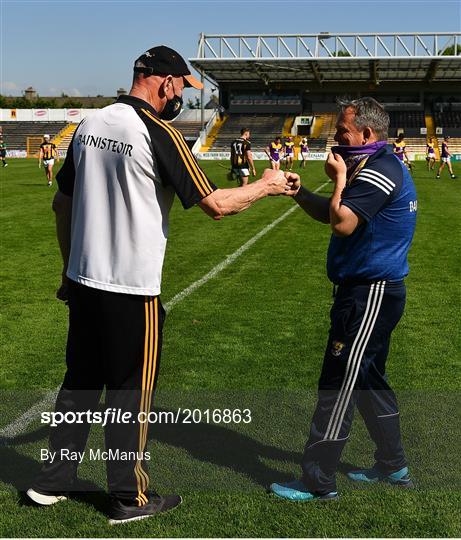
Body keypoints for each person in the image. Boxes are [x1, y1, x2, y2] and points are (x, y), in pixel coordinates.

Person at [27, 45, 296, 524]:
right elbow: (216, 204)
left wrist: (69, 273)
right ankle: (130, 497)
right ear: (166, 83)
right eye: (182, 87)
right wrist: (268, 185)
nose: (182, 97)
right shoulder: (159, 132)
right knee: (131, 392)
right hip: (132, 290)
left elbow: (61, 207)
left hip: (85, 282)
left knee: (80, 385)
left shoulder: (89, 125)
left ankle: (54, 479)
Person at [270, 97, 417, 502]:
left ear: (368, 134)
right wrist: (301, 195)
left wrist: (336, 180)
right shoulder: (374, 166)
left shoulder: (380, 170)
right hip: (373, 292)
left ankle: (318, 481)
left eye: (342, 133)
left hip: (369, 294)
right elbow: (336, 214)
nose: (336, 141)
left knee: (338, 384)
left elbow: (343, 223)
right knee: (369, 381)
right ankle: (393, 464)